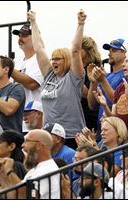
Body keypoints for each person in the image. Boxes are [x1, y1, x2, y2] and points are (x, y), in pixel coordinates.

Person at [28, 10, 86, 147]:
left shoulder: (73, 78)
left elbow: (76, 50)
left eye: (57, 59)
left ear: (66, 60)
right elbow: (39, 48)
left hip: (71, 136)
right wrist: (33, 23)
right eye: (52, 59)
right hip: (49, 136)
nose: (53, 62)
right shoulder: (49, 76)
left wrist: (80, 24)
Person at [0, 129, 60, 199]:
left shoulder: (48, 169)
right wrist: (2, 173)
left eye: (27, 141)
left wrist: (10, 171)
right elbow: (14, 195)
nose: (22, 145)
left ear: (38, 145)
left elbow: (28, 196)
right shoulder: (37, 169)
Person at [87, 38, 128, 142]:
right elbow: (92, 105)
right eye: (109, 51)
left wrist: (102, 80)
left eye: (114, 51)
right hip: (102, 129)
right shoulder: (106, 76)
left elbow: (118, 101)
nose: (109, 54)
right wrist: (93, 82)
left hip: (117, 130)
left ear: (124, 53)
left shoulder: (126, 74)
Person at [80, 36, 101, 132]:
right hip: (78, 115)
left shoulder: (94, 68)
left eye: (79, 48)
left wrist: (75, 81)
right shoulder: (77, 70)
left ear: (88, 50)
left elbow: (91, 95)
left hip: (89, 116)